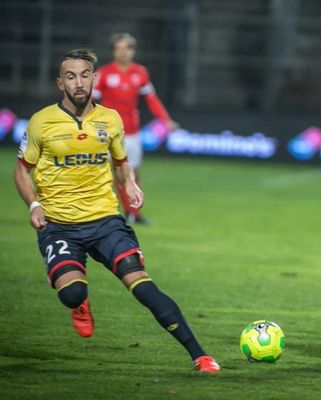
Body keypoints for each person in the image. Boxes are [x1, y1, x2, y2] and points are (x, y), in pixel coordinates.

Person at [13, 48, 220, 373]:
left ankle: (200, 355)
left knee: (143, 285)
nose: (79, 83)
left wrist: (132, 185)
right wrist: (34, 205)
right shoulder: (42, 122)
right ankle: (79, 302)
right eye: (71, 76)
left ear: (94, 79)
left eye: (84, 75)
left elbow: (122, 164)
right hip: (59, 224)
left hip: (106, 221)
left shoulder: (110, 119)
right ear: (60, 82)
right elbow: (21, 170)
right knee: (72, 293)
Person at [93, 33, 179, 224]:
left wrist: (166, 119)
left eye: (126, 48)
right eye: (118, 48)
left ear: (133, 50)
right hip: (109, 133)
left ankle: (134, 213)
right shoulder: (105, 73)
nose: (122, 52)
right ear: (114, 51)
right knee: (115, 173)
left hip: (132, 132)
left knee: (134, 173)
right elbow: (90, 100)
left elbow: (151, 99)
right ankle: (115, 214)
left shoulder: (140, 73)